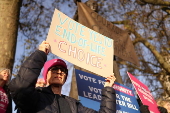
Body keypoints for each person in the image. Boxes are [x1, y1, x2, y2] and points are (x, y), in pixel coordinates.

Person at [9, 41, 117, 113]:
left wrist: (108, 88)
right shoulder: (35, 97)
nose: (59, 72)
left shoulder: (74, 105)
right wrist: (40, 53)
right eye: (54, 69)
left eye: (63, 71)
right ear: (46, 75)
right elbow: (20, 86)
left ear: (65, 78)